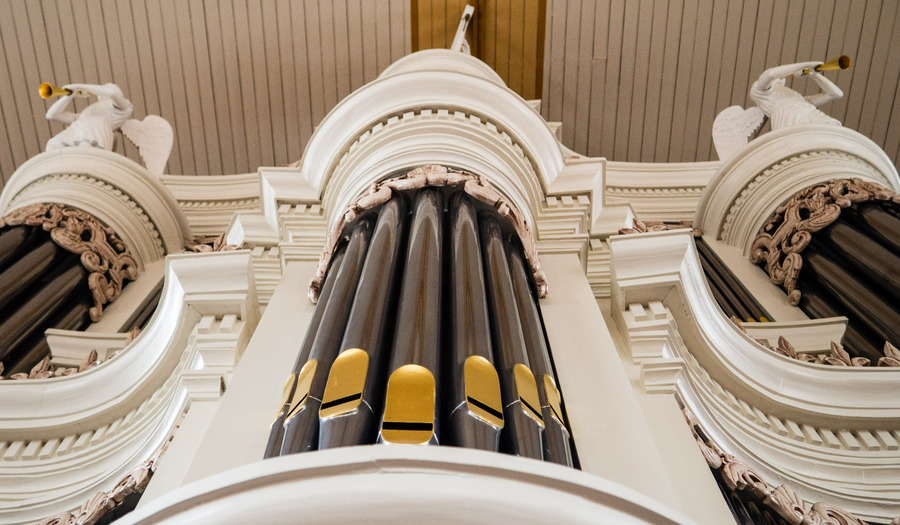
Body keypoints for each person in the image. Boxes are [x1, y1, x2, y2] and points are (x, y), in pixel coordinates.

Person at [749, 61, 843, 130]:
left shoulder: (800, 100)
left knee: (833, 130)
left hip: (809, 111)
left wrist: (813, 74)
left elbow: (836, 94)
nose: (782, 77)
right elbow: (771, 74)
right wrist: (805, 65)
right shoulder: (760, 92)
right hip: (789, 116)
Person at [45, 83, 133, 151]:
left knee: (86, 149)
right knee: (53, 145)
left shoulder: (123, 108)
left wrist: (78, 86)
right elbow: (51, 115)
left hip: (96, 129)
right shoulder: (84, 115)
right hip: (76, 129)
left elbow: (111, 93)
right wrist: (69, 96)